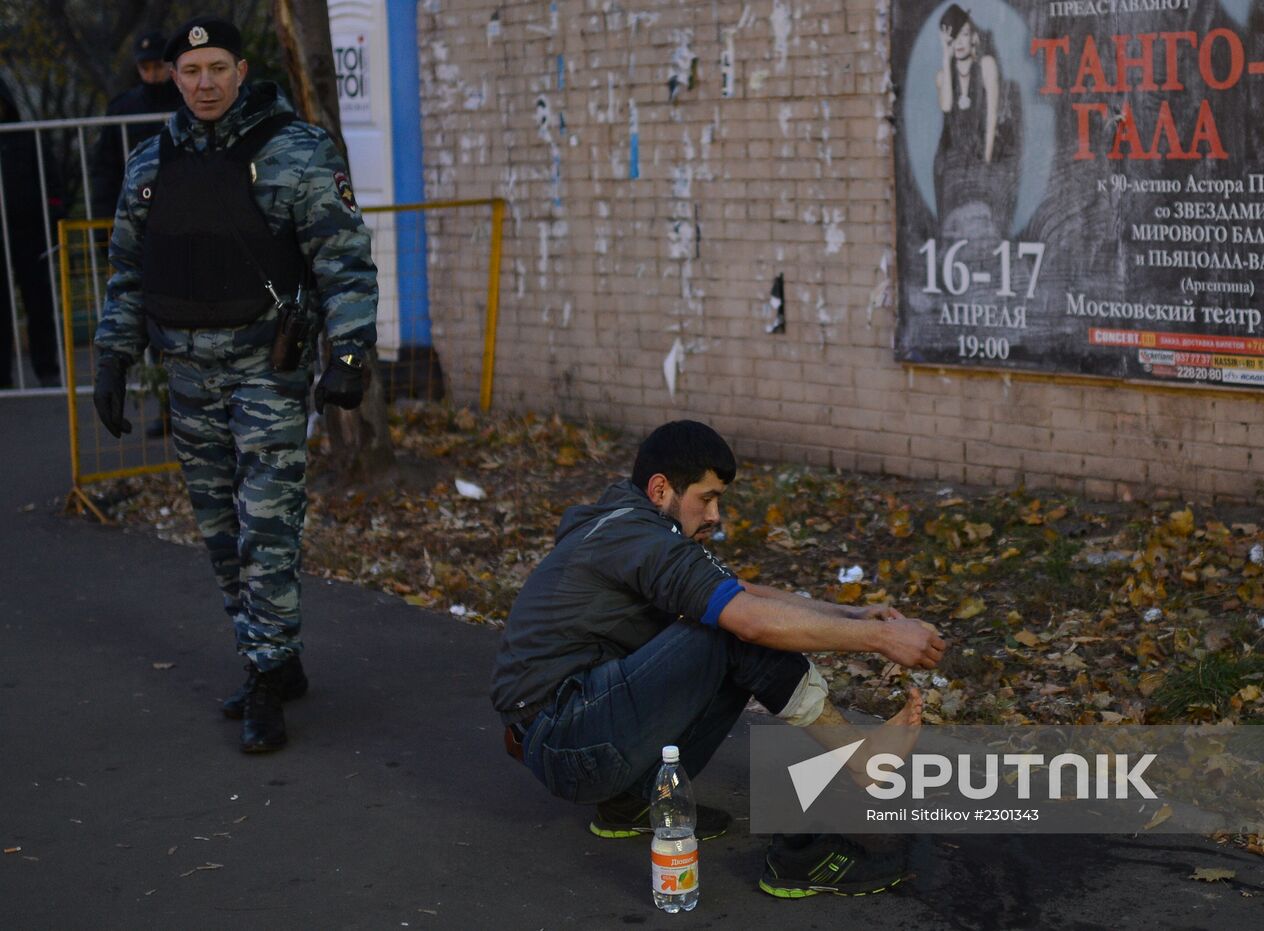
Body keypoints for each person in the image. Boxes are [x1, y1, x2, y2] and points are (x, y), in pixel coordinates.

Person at [491, 420, 948, 898]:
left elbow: (740, 592)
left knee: (727, 620)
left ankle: (632, 802)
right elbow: (747, 618)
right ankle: (859, 762)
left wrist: (850, 612)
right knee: (731, 632)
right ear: (661, 488)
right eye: (706, 499)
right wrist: (880, 639)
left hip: (567, 731)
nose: (715, 515)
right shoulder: (639, 538)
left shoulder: (633, 521)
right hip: (567, 736)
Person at [91, 15, 378, 753]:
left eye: (218, 67)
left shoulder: (298, 152)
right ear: (174, 78)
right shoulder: (153, 164)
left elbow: (343, 259)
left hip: (265, 370)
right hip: (184, 375)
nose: (205, 82)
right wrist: (113, 359)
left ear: (242, 70)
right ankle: (273, 654)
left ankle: (263, 674)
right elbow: (127, 271)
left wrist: (349, 353)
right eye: (191, 71)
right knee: (220, 529)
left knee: (267, 524)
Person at [932, 3, 1017, 235]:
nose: (959, 42)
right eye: (953, 37)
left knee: (989, 206)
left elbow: (991, 118)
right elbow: (947, 106)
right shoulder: (943, 76)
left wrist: (986, 160)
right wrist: (944, 57)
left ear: (974, 39)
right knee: (953, 218)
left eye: (965, 35)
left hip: (983, 148)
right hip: (952, 154)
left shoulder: (987, 66)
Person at [0, 81, 63, 389]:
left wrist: (52, 215)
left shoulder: (26, 137)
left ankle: (46, 368)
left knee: (38, 302)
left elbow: (51, 180)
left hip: (29, 232)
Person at [91, 31, 183, 218]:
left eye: (157, 66)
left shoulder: (189, 102)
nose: (152, 74)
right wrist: (104, 220)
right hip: (138, 207)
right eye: (145, 67)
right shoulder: (123, 107)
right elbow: (106, 168)